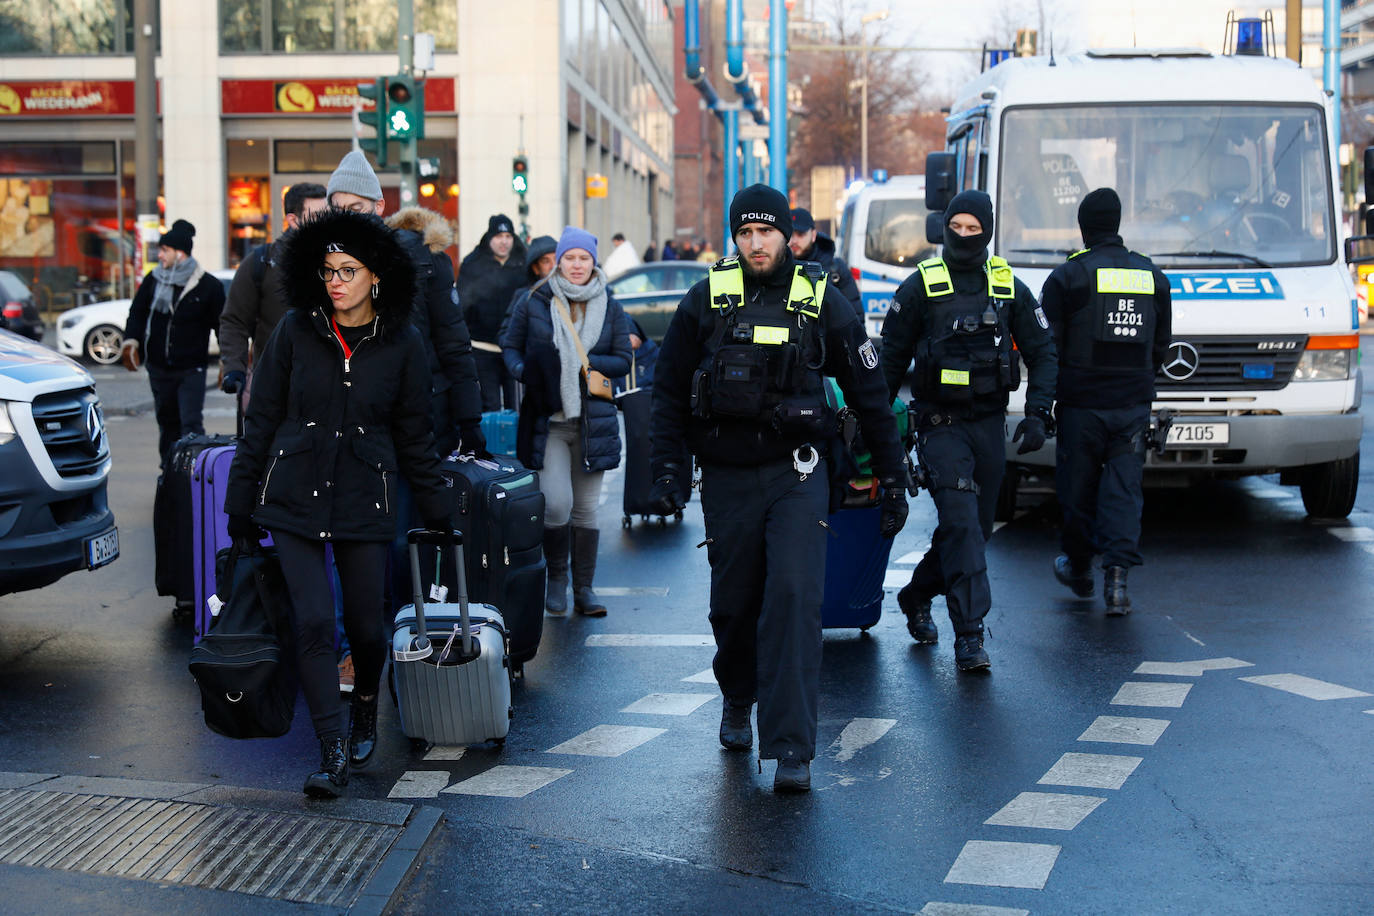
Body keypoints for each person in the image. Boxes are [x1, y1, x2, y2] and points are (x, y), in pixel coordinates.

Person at [648, 185, 909, 793]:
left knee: (794, 597)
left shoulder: (823, 301)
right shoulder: (708, 298)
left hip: (798, 473)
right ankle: (738, 695)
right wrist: (665, 470)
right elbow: (666, 390)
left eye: (766, 232)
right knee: (734, 605)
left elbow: (872, 395)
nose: (756, 243)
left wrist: (892, 477)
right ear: (734, 238)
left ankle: (792, 748)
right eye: (745, 233)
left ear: (787, 236)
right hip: (728, 478)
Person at [224, 208, 452, 798]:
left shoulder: (403, 343)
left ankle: (366, 704)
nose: (336, 282)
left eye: (348, 270)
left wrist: (440, 513)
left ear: (375, 275)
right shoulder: (296, 331)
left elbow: (415, 438)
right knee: (314, 623)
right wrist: (239, 506)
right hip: (294, 494)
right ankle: (330, 753)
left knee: (366, 630)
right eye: (327, 271)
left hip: (362, 498)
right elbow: (262, 420)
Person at [880, 189, 1057, 672]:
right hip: (939, 426)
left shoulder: (1006, 287)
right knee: (960, 522)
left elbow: (1044, 350)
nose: (962, 236)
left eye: (972, 229)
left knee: (973, 532)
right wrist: (878, 427)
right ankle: (970, 635)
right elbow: (889, 358)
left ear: (987, 232)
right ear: (943, 228)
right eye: (954, 227)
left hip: (987, 425)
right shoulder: (921, 285)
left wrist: (1039, 412)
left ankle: (917, 594)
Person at [1040, 188, 1171, 614]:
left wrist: (1045, 402)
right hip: (1133, 404)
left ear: (1084, 228)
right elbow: (1160, 345)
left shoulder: (1068, 277)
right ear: (1117, 224)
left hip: (1082, 405)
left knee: (1077, 492)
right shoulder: (1152, 276)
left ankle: (1079, 567)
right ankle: (1117, 583)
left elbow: (1048, 347)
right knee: (1124, 492)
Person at [500, 227, 632, 617]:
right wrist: (527, 371)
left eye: (584, 258)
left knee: (587, 508)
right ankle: (557, 579)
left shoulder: (610, 304)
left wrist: (586, 367)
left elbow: (624, 358)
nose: (577, 266)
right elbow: (509, 345)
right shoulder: (535, 300)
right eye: (570, 258)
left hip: (593, 422)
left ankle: (585, 589)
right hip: (549, 421)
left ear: (594, 262)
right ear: (559, 260)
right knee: (556, 506)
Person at [120, 219, 225, 467]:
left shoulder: (208, 285)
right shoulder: (154, 280)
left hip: (191, 368)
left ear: (180, 253)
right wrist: (131, 342)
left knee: (190, 424)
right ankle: (168, 474)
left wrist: (228, 360)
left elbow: (222, 325)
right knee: (167, 424)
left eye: (164, 250)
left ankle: (193, 475)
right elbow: (137, 312)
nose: (160, 255)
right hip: (158, 367)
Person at [219, 182, 328, 401]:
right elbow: (235, 321)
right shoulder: (262, 263)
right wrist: (235, 368)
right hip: (274, 386)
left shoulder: (336, 261)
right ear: (293, 220)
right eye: (316, 215)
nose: (324, 222)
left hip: (327, 385)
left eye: (327, 215)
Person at [459, 214, 528, 411]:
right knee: (489, 407)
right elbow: (462, 307)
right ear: (490, 238)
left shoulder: (524, 264)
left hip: (514, 349)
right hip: (482, 348)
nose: (504, 241)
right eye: (499, 236)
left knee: (517, 406)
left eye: (508, 236)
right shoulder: (473, 265)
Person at [789, 207, 862, 318]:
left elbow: (855, 317)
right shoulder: (774, 269)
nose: (794, 240)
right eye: (790, 234)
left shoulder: (836, 270)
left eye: (800, 234)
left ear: (813, 235)